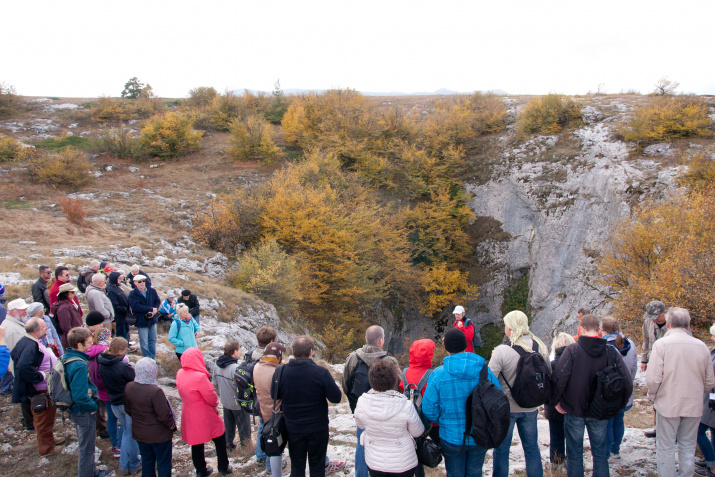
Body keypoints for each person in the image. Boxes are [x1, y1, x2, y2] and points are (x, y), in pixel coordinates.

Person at [552, 313, 632, 477]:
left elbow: (560, 378)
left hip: (574, 409)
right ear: (599, 330)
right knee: (600, 454)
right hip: (600, 410)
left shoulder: (573, 350)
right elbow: (627, 382)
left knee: (574, 454)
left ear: (581, 328)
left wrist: (556, 401)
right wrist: (619, 405)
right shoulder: (610, 351)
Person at [422, 329, 501, 477]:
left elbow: (428, 408)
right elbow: (498, 399)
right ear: (465, 346)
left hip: (451, 435)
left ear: (446, 349)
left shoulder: (439, 374)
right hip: (479, 433)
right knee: (475, 472)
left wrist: (443, 420)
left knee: (454, 473)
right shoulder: (484, 371)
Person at [645, 307, 715, 477]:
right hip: (693, 404)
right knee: (688, 445)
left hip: (667, 403)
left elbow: (653, 378)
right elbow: (709, 381)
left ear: (668, 324)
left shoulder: (661, 345)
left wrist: (652, 396)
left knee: (666, 445)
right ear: (688, 324)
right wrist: (696, 392)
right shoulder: (701, 346)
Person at [489, 310, 550, 477]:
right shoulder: (539, 346)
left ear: (510, 328)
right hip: (531, 406)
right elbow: (548, 374)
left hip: (506, 408)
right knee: (531, 448)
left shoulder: (502, 351)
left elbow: (489, 379)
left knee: (501, 450)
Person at [274, 336, 342, 477]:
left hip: (293, 428)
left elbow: (274, 395)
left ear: (292, 351)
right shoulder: (321, 372)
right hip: (318, 428)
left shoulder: (280, 372)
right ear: (311, 352)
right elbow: (336, 398)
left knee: (297, 467)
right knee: (317, 467)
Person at [342, 326, 399, 477]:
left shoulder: (353, 358)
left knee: (362, 444)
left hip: (362, 411)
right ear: (380, 341)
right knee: (386, 446)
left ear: (366, 340)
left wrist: (354, 405)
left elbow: (346, 384)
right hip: (386, 414)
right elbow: (398, 388)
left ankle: (360, 474)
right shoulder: (390, 361)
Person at [354, 358, 424, 477]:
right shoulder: (405, 405)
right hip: (402, 463)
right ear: (394, 381)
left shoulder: (362, 402)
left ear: (371, 381)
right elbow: (417, 432)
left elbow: (360, 425)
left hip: (375, 461)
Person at [12, 317, 65, 456]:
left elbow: (14, 355)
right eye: (43, 327)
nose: (46, 328)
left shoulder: (27, 340)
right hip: (40, 390)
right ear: (36, 331)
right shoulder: (30, 345)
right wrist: (40, 376)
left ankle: (50, 439)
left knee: (47, 417)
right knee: (42, 419)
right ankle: (46, 449)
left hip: (44, 388)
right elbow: (23, 367)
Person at [65, 327, 114, 477]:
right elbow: (80, 395)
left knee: (85, 443)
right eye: (88, 342)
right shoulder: (79, 365)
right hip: (83, 410)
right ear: (79, 345)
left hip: (75, 408)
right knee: (86, 447)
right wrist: (93, 406)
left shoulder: (68, 356)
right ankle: (87, 474)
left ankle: (91, 471)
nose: (91, 344)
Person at [177, 347, 233, 476]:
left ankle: (201, 470)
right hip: (204, 413)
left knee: (196, 442)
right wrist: (216, 403)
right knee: (219, 438)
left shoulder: (180, 373)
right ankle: (223, 466)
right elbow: (211, 397)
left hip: (189, 412)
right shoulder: (200, 377)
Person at [125, 358, 176, 477]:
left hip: (140, 433)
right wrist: (172, 426)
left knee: (147, 462)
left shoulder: (129, 387)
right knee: (163, 463)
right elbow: (164, 415)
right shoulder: (155, 391)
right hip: (159, 436)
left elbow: (128, 410)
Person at [99, 337, 141, 473]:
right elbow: (136, 380)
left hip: (114, 402)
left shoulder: (102, 363)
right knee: (132, 434)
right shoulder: (122, 367)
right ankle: (133, 464)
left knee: (125, 432)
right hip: (126, 402)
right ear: (120, 350)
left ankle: (124, 463)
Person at [601, 316, 638, 459]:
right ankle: (615, 449)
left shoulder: (604, 346)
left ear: (603, 330)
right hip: (625, 390)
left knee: (608, 422)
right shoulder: (631, 344)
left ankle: (608, 451)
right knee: (619, 419)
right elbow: (634, 367)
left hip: (609, 391)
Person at [401, 339, 438, 477]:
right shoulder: (432, 375)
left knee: (413, 451)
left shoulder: (404, 373)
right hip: (429, 422)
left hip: (409, 420)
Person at [253, 342, 287, 477]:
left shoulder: (257, 367)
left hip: (262, 407)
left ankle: (260, 456)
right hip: (276, 411)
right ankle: (270, 469)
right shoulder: (277, 371)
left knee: (263, 431)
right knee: (274, 441)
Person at [213, 340, 251, 452]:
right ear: (234, 351)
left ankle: (228, 445)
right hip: (238, 403)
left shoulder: (217, 364)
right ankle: (246, 448)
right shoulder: (235, 368)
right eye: (238, 350)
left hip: (225, 401)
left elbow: (214, 384)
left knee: (228, 426)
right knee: (244, 428)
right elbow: (241, 387)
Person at [544, 332, 575, 467]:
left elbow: (547, 388)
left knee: (556, 436)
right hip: (573, 406)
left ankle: (556, 462)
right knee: (573, 437)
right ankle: (573, 462)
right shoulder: (577, 364)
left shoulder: (551, 365)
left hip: (554, 406)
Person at [85, 312, 116, 443]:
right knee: (108, 411)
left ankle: (103, 427)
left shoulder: (90, 347)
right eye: (100, 323)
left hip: (94, 382)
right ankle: (105, 430)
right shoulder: (104, 351)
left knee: (101, 407)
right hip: (106, 385)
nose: (102, 324)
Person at [250, 326, 278, 464]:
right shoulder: (265, 358)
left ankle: (260, 454)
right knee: (269, 429)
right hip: (267, 398)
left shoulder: (251, 354)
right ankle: (269, 462)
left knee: (262, 426)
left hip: (257, 397)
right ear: (272, 341)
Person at [2, 298, 31, 426]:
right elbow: (18, 352)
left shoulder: (13, 324)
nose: (26, 311)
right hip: (20, 367)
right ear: (14, 312)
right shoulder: (12, 329)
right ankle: (30, 422)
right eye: (22, 309)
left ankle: (28, 420)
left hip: (18, 367)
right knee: (26, 395)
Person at [641, 300, 667, 438]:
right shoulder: (648, 323)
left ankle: (671, 431)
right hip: (653, 362)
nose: (654, 320)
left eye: (657, 317)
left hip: (669, 364)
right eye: (652, 317)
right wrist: (644, 359)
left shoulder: (673, 323)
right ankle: (658, 428)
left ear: (665, 313)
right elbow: (646, 341)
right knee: (656, 396)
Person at [696, 323, 715, 476]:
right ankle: (711, 460)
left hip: (712, 401)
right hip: (710, 399)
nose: (711, 337)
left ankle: (711, 463)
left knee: (699, 431)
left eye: (713, 334)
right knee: (714, 431)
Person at [128, 275, 160, 359]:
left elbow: (157, 301)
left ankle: (153, 357)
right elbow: (135, 307)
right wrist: (150, 309)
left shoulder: (151, 291)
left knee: (153, 340)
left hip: (152, 319)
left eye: (143, 281)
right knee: (144, 341)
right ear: (135, 283)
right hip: (141, 320)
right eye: (139, 281)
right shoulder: (133, 294)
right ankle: (147, 358)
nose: (142, 283)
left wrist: (155, 310)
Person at [52, 283, 84, 350]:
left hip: (76, 338)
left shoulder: (69, 304)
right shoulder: (63, 308)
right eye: (72, 292)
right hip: (71, 341)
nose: (74, 294)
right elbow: (66, 327)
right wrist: (74, 339)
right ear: (65, 294)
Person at [107, 271, 130, 341]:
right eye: (119, 278)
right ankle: (122, 348)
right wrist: (125, 309)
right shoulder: (110, 289)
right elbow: (115, 305)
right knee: (121, 334)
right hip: (119, 315)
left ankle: (126, 346)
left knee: (126, 331)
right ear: (114, 279)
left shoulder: (117, 287)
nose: (120, 280)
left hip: (124, 314)